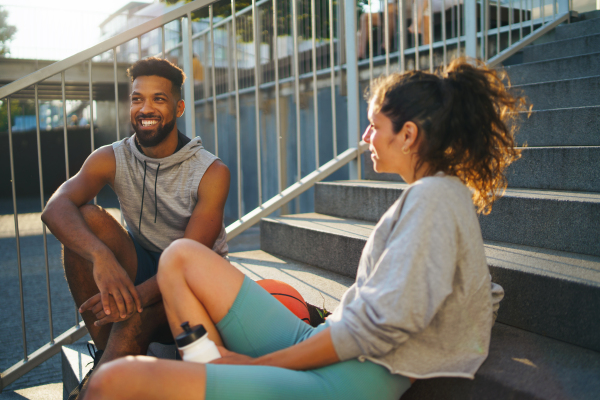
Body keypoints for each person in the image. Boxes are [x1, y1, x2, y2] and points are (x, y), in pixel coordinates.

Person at [81, 58, 523, 400]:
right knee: (180, 255)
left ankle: (217, 375)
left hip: (351, 380)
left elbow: (372, 332)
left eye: (374, 126)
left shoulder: (433, 200)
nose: (365, 137)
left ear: (407, 135)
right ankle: (209, 367)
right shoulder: (437, 195)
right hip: (331, 344)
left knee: (112, 382)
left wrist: (260, 366)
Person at [41, 57, 230, 400]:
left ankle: (104, 380)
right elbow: (55, 208)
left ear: (179, 106)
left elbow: (188, 262)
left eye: (158, 99)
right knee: (86, 218)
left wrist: (132, 299)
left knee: (135, 317)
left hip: (197, 286)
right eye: (137, 98)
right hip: (144, 267)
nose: (146, 108)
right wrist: (101, 258)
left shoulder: (211, 172)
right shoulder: (112, 157)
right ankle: (112, 359)